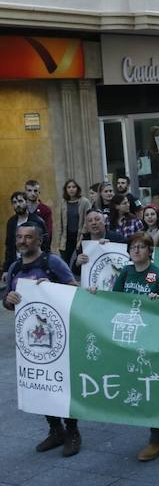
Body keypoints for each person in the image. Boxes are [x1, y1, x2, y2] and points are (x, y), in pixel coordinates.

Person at [3, 222, 80, 456]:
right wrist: (9, 299)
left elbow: (74, 288)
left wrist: (51, 289)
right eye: (19, 237)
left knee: (62, 384)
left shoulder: (52, 262)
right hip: (30, 341)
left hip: (58, 337)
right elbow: (7, 300)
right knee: (41, 384)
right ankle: (55, 430)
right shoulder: (15, 267)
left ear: (39, 241)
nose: (22, 241)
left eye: (28, 237)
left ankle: (73, 431)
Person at [109, 232, 159, 460]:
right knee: (138, 382)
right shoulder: (125, 272)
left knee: (151, 385)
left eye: (141, 246)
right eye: (133, 247)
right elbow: (113, 300)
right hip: (132, 338)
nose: (137, 250)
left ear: (150, 251)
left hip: (154, 339)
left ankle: (155, 438)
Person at [4, 191, 47, 277]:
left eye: (20, 201)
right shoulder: (11, 222)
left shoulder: (37, 221)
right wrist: (6, 269)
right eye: (15, 202)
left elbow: (45, 245)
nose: (18, 205)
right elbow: (9, 246)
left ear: (27, 202)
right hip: (16, 264)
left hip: (35, 263)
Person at [58, 179, 91, 265]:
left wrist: (82, 236)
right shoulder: (63, 202)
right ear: (66, 189)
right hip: (66, 237)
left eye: (73, 187)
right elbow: (60, 221)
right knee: (65, 262)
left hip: (80, 236)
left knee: (79, 261)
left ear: (77, 188)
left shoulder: (85, 202)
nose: (71, 189)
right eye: (69, 187)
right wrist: (59, 240)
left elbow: (88, 220)